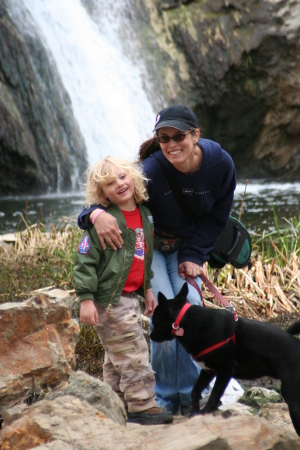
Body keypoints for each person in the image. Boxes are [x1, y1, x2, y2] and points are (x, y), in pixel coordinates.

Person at [78, 105, 236, 415]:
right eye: (164, 138)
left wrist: (194, 255)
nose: (172, 144)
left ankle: (192, 393)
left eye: (179, 136)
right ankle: (165, 396)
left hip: (184, 247)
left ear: (196, 135)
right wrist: (94, 214)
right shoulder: (150, 172)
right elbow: (102, 201)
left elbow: (218, 216)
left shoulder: (220, 164)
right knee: (166, 315)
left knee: (191, 305)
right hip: (147, 247)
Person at [74, 156, 173, 425]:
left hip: (130, 298)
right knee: (133, 351)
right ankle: (142, 405)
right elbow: (84, 261)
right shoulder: (104, 222)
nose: (119, 184)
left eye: (122, 177)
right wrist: (86, 300)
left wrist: (148, 289)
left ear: (134, 178)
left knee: (116, 356)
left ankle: (115, 404)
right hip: (109, 302)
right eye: (109, 183)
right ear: (101, 193)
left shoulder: (144, 215)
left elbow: (144, 258)